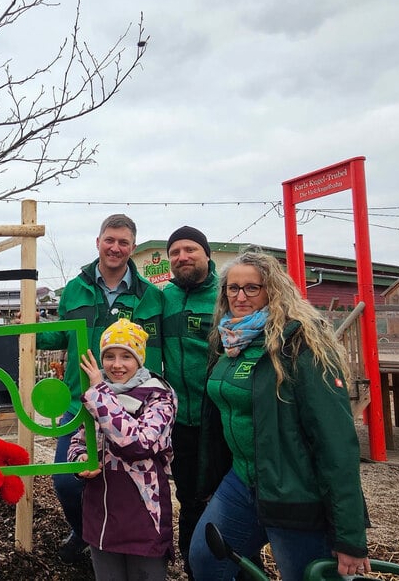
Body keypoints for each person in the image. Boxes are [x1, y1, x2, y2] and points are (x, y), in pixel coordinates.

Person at [188, 249, 371, 580]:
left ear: (271, 289)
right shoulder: (229, 340)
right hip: (242, 480)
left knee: (303, 575)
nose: (240, 296)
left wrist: (350, 536)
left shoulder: (300, 344)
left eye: (251, 288)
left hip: (293, 490)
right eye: (232, 288)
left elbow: (336, 442)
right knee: (206, 560)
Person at [37, 213, 164, 563]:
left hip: (128, 407)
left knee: (123, 481)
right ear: (98, 242)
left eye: (123, 242)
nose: (115, 247)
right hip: (80, 403)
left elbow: (155, 353)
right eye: (110, 239)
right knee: (67, 479)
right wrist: (30, 330)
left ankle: (125, 545)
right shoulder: (76, 288)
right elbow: (61, 334)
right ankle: (84, 533)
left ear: (132, 248)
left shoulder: (150, 297)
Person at [69, 319, 176, 580]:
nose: (116, 365)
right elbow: (79, 441)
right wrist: (81, 459)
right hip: (101, 516)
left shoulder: (158, 396)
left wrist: (99, 393)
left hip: (143, 515)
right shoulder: (98, 394)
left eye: (126, 356)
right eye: (109, 356)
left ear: (139, 359)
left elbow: (138, 444)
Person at [160, 226, 218, 578]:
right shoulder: (163, 298)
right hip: (180, 420)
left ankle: (236, 564)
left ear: (206, 254)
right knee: (188, 494)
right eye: (176, 251)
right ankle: (195, 564)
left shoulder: (228, 295)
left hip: (219, 418)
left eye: (191, 249)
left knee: (225, 496)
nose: (183, 256)